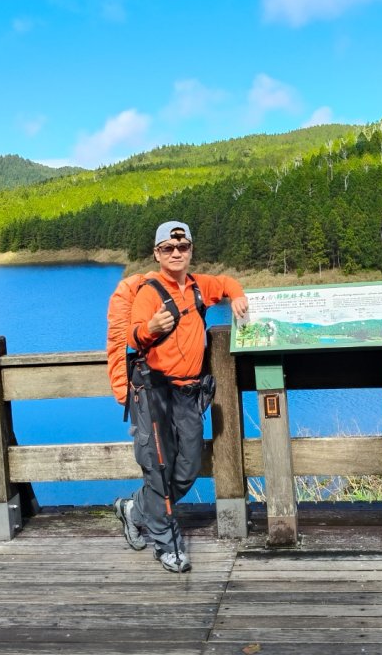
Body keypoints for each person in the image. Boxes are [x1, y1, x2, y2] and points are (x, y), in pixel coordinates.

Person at [113, 220, 247, 573]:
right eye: (168, 248)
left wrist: (237, 296)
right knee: (158, 469)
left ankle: (134, 509)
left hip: (189, 393)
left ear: (190, 250)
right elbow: (132, 337)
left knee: (187, 468)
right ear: (157, 254)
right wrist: (150, 328)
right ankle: (167, 545)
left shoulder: (200, 286)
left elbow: (227, 282)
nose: (176, 253)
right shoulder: (149, 293)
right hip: (154, 392)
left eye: (182, 247)